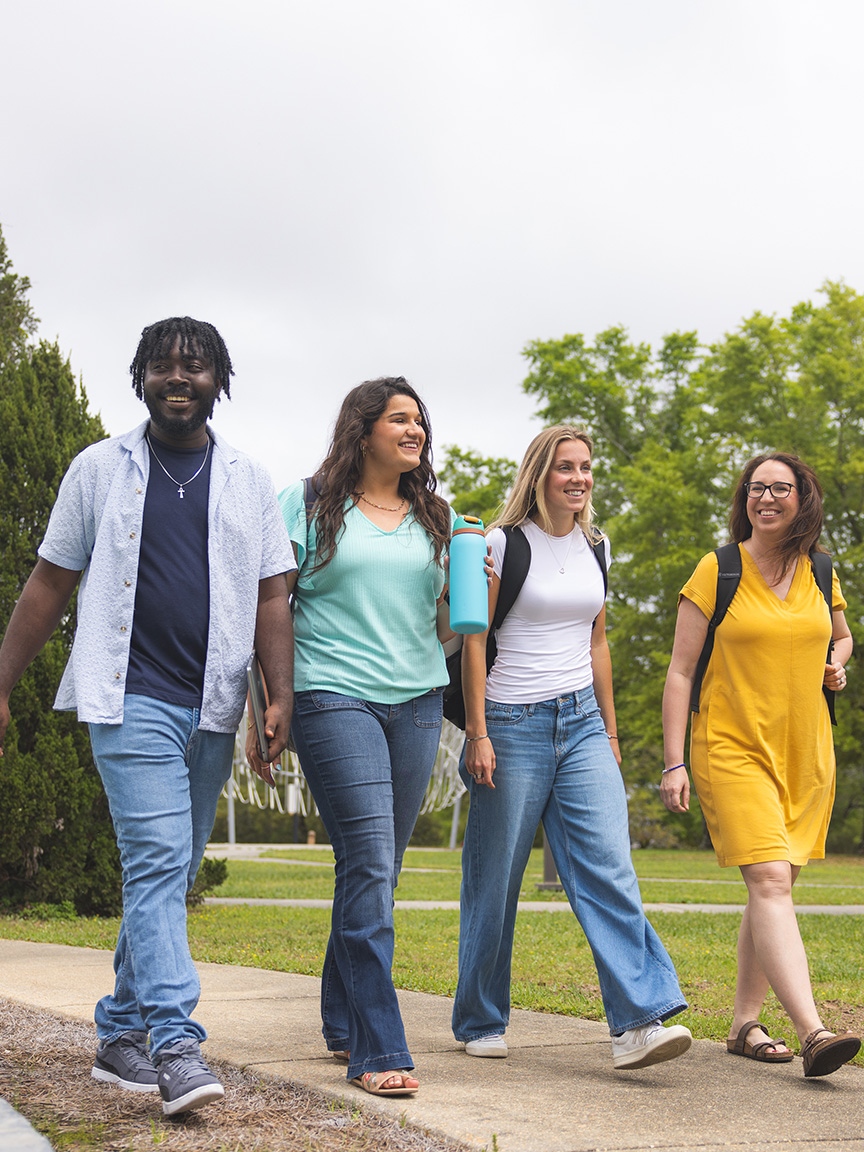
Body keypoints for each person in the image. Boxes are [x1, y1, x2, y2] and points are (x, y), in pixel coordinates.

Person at [0, 317, 296, 1115]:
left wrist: (279, 693)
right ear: (140, 378)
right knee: (160, 862)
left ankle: (119, 1035)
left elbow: (273, 594)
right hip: (126, 696)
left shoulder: (247, 479)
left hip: (212, 703)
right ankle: (174, 1043)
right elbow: (48, 583)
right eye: (163, 365)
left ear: (216, 381)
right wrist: (0, 683)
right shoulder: (99, 469)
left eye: (194, 367)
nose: (178, 377)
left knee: (168, 869)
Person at [452, 425, 692, 1070]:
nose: (579, 478)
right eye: (566, 467)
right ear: (540, 474)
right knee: (495, 876)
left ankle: (638, 1021)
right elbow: (474, 641)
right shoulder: (503, 544)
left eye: (586, 467)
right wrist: (477, 732)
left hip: (582, 720)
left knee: (608, 867)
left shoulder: (598, 546)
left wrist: (609, 732)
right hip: (510, 721)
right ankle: (479, 1017)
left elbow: (597, 644)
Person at [248, 376, 456, 1097]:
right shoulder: (307, 504)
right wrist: (267, 700)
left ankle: (341, 1020)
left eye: (420, 421)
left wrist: (474, 591)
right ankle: (377, 1044)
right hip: (332, 697)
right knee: (369, 865)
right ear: (363, 429)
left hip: (420, 699)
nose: (415, 430)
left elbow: (448, 632)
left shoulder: (438, 516)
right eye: (400, 419)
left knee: (377, 871)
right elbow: (269, 603)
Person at [661, 452, 860, 1077]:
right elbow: (680, 670)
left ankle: (745, 1022)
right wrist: (674, 763)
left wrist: (840, 661)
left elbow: (842, 635)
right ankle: (814, 1031)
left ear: (804, 498)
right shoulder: (718, 569)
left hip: (806, 753)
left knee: (772, 888)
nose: (766, 497)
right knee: (771, 882)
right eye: (756, 487)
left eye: (781, 488)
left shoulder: (821, 570)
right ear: (744, 497)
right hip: (731, 746)